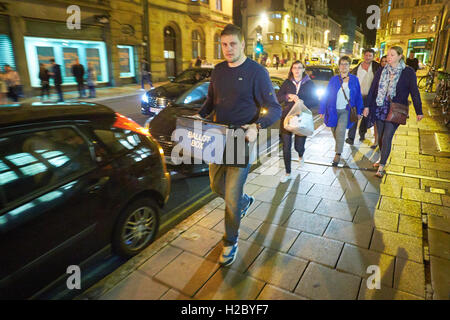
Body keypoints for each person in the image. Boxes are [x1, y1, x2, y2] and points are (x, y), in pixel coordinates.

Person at [195, 24, 281, 266]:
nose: (228, 49)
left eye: (233, 44)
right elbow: (211, 102)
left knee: (231, 196)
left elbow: (275, 108)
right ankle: (244, 202)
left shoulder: (258, 72)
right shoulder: (219, 70)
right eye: (224, 44)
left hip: (241, 138)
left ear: (243, 44)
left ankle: (230, 242)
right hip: (217, 136)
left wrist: (257, 126)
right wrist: (198, 116)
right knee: (215, 186)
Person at [364, 46, 423, 177]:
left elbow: (414, 92)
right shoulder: (382, 70)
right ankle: (382, 158)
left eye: (392, 55)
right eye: (388, 55)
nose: (388, 57)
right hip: (380, 106)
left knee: (387, 137)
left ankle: (382, 166)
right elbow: (373, 89)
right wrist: (367, 106)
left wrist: (419, 110)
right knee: (380, 137)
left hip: (395, 109)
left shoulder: (408, 72)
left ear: (400, 56)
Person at [277, 60, 319, 183]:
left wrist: (302, 101)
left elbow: (315, 101)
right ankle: (287, 173)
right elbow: (278, 97)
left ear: (303, 69)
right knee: (286, 147)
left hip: (302, 119)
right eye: (294, 68)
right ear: (291, 69)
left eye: (299, 68)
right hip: (287, 118)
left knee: (298, 146)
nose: (296, 70)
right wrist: (287, 97)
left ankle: (301, 154)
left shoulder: (309, 84)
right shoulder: (287, 83)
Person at [319, 56, 364, 166]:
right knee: (334, 131)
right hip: (332, 110)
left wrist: (360, 111)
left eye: (346, 64)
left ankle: (337, 154)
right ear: (339, 66)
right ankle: (340, 144)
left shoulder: (354, 79)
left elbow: (358, 96)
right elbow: (326, 94)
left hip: (346, 111)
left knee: (340, 131)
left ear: (349, 66)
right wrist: (322, 109)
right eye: (342, 64)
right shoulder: (334, 79)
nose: (344, 66)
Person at [346, 48, 380, 145]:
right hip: (357, 97)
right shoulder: (357, 68)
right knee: (354, 116)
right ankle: (351, 137)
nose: (368, 57)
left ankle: (362, 133)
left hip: (369, 97)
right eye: (366, 55)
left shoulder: (376, 67)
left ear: (373, 57)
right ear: (363, 56)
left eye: (370, 56)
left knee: (365, 117)